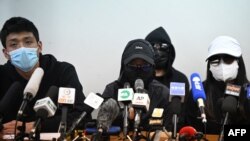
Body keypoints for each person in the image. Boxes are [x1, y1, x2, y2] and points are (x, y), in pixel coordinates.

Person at [0, 17, 91, 138]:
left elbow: (81, 117)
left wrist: (33, 126)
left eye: (28, 42)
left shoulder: (63, 71)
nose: (22, 49)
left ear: (39, 46)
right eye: (14, 44)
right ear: (6, 53)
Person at [101, 39, 171, 134]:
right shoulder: (112, 90)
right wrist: (126, 115)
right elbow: (104, 122)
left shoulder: (162, 93)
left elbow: (167, 129)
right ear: (124, 66)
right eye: (132, 65)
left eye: (145, 66)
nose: (139, 69)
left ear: (153, 67)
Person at [184, 36, 250, 134]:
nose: (222, 65)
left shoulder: (247, 93)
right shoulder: (198, 93)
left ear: (238, 62)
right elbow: (188, 131)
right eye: (215, 60)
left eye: (228, 59)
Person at [145, 27, 190, 132]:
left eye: (163, 47)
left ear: (170, 51)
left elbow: (182, 117)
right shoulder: (139, 80)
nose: (158, 51)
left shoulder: (180, 79)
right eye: (153, 46)